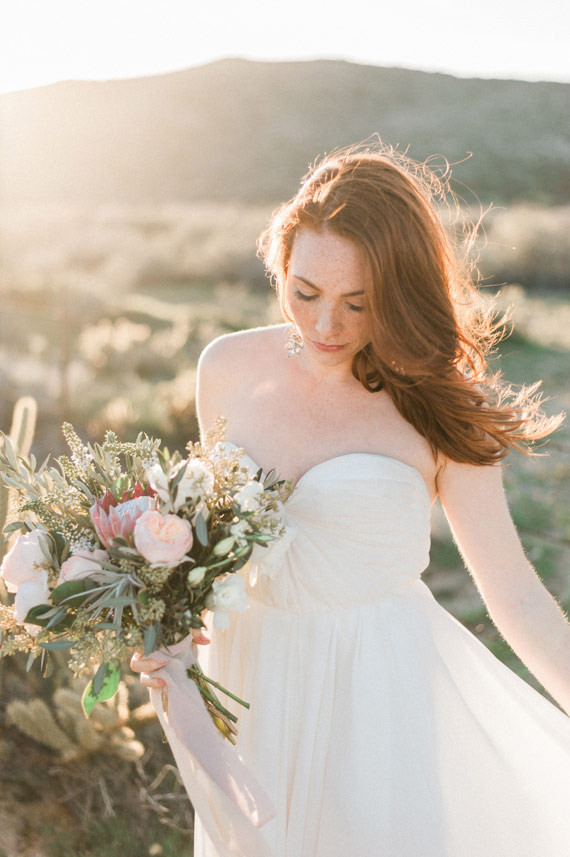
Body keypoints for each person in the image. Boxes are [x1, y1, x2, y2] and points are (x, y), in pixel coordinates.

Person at [131, 141, 570, 857]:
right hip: (250, 692)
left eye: (357, 303)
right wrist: (162, 628)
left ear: (399, 293)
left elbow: (516, 597)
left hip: (378, 710)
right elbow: (203, 546)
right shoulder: (228, 368)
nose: (325, 327)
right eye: (304, 292)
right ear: (279, 263)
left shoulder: (441, 406)